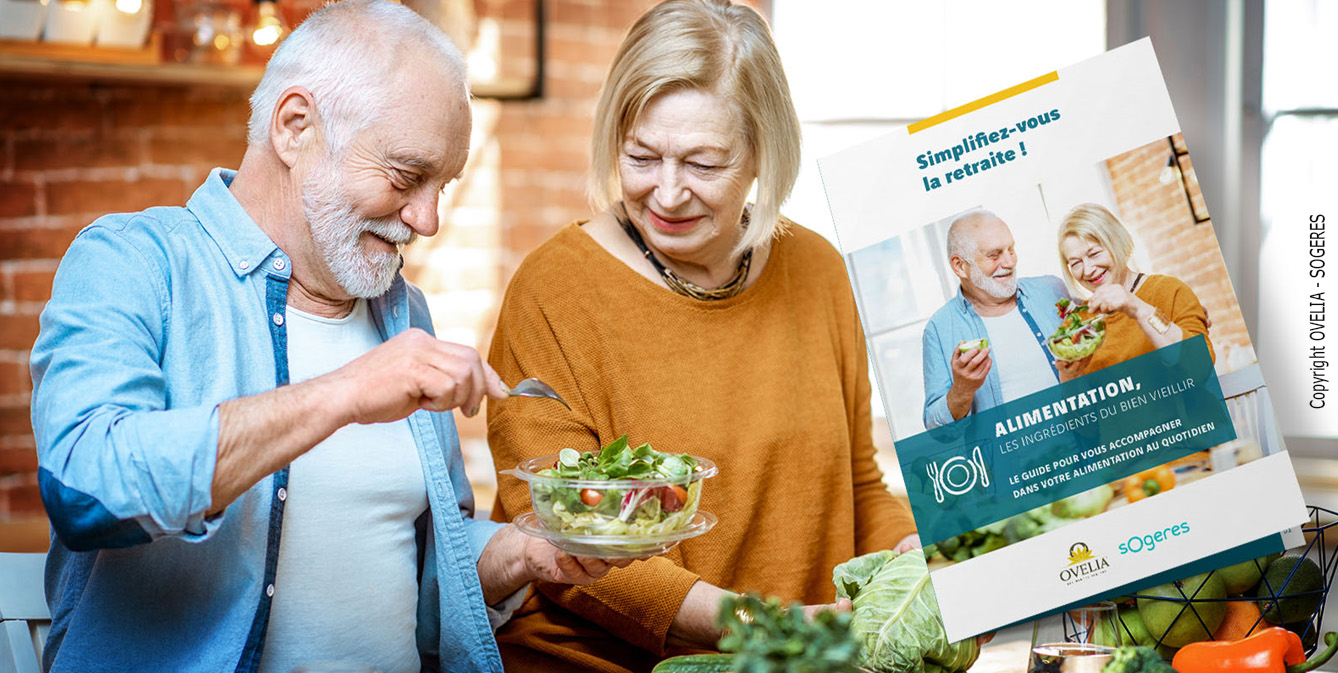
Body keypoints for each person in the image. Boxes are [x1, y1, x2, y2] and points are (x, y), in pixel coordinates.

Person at [28, 3, 630, 672]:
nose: (427, 219)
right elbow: (84, 486)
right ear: (295, 126)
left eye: (444, 185)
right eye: (407, 177)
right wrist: (345, 392)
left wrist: (524, 553)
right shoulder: (133, 261)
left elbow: (415, 585)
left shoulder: (402, 313)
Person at [484, 1, 919, 671]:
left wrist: (915, 560)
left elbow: (857, 483)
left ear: (762, 155)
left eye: (704, 163)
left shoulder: (819, 270)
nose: (667, 192)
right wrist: (764, 627)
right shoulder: (554, 289)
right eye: (642, 156)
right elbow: (560, 539)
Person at [922, 209, 1070, 429]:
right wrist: (962, 390)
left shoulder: (1052, 290)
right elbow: (938, 431)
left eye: (1011, 249)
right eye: (994, 255)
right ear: (959, 266)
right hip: (1013, 461)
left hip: (1087, 450)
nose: (1009, 262)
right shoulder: (938, 329)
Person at [1054, 202, 1213, 380]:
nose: (1088, 269)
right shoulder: (1077, 324)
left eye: (1095, 254)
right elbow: (1081, 405)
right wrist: (1069, 376)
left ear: (1117, 242)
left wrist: (1137, 308)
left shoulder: (1168, 290)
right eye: (1076, 263)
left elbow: (1201, 367)